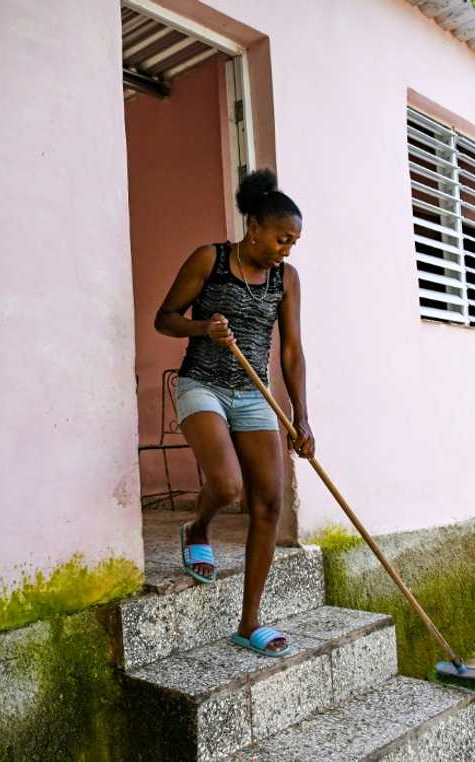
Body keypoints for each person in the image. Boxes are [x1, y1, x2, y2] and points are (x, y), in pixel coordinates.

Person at [154, 168, 314, 657]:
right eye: (283, 239)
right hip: (202, 385)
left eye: (293, 242)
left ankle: (249, 622)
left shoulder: (286, 279)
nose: (287, 249)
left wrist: (301, 418)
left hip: (254, 394)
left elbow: (290, 350)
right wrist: (204, 328)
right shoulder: (210, 259)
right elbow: (164, 319)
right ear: (255, 229)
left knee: (268, 502)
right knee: (226, 485)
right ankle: (197, 527)